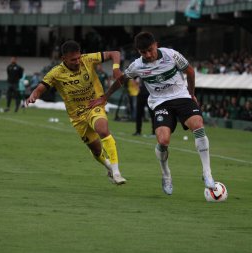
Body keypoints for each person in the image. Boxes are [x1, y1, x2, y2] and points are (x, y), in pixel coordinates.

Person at [89, 32, 216, 195]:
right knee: (163, 141)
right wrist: (104, 97)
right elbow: (121, 79)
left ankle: (207, 173)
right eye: (143, 52)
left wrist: (191, 94)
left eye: (150, 50)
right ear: (138, 51)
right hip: (160, 102)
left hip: (181, 97)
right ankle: (166, 174)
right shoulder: (137, 66)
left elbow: (190, 72)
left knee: (198, 125)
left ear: (156, 44)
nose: (148, 55)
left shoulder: (172, 55)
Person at [26, 40, 126, 185]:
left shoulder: (88, 59)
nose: (78, 61)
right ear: (63, 59)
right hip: (77, 116)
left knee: (103, 129)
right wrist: (34, 95)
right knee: (96, 150)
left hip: (94, 105)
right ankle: (108, 167)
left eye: (79, 57)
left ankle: (117, 172)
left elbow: (115, 53)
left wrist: (116, 68)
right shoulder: (56, 72)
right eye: (73, 59)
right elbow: (42, 86)